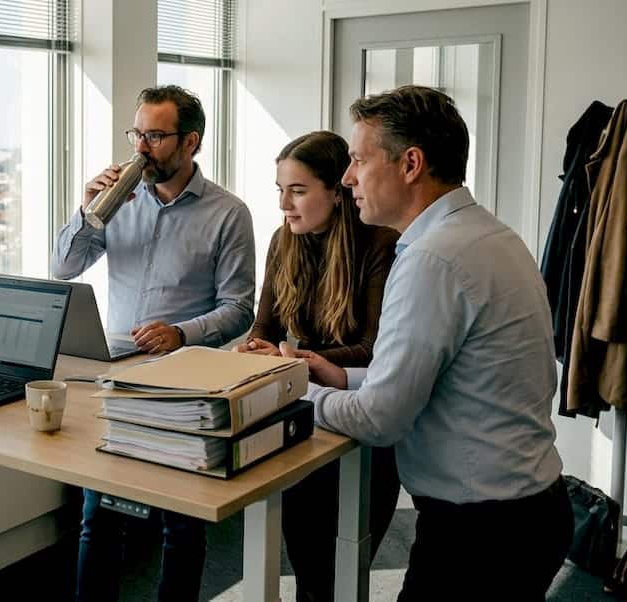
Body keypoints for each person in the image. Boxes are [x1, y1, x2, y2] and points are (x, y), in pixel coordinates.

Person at [308, 86, 573, 601]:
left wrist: (293, 392)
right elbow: (451, 371)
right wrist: (342, 378)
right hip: (528, 510)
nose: (347, 178)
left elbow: (379, 421)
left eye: (359, 159)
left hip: (481, 535)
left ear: (411, 164)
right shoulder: (489, 234)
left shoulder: (433, 259)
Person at [52, 85, 255, 602]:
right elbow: (64, 268)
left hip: (184, 387)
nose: (141, 148)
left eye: (156, 137)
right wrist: (87, 210)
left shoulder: (228, 213)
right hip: (117, 376)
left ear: (191, 142)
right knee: (97, 519)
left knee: (181, 526)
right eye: (137, 134)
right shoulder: (117, 204)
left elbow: (239, 309)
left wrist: (181, 333)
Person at [236, 131, 401, 602]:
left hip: (362, 410)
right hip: (306, 410)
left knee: (342, 568)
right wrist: (255, 347)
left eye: (298, 190)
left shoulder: (381, 243)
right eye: (280, 190)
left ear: (337, 191)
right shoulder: (283, 240)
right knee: (309, 568)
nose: (284, 204)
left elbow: (373, 348)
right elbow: (264, 326)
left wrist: (301, 360)